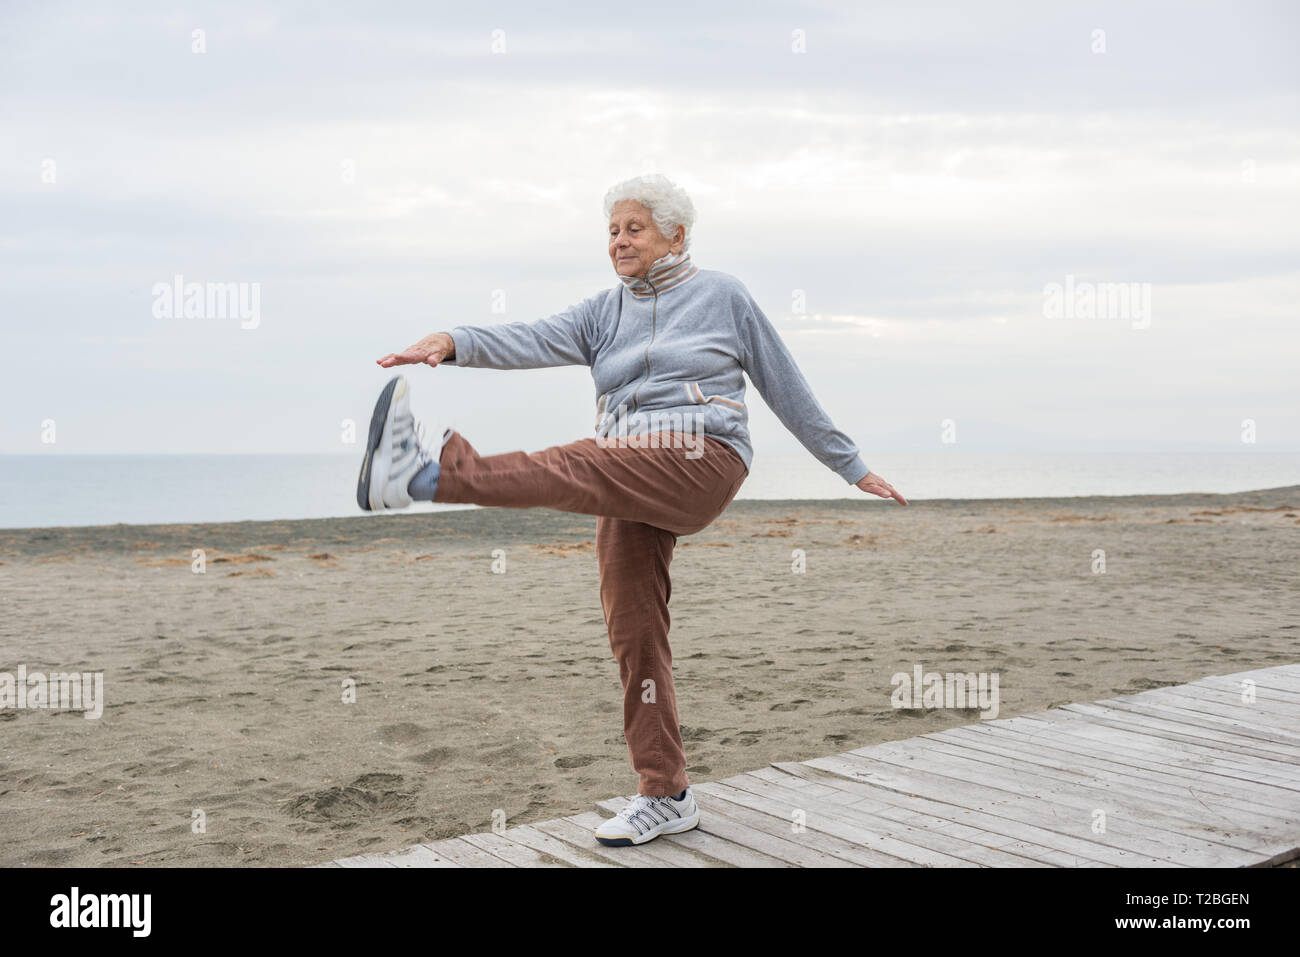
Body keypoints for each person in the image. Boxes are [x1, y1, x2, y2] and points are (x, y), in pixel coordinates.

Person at [357, 173, 907, 847]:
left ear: (677, 234)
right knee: (634, 630)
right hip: (628, 471)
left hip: (699, 454)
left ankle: (425, 474)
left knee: (574, 463)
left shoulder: (722, 295)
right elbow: (530, 338)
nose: (619, 240)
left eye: (634, 228)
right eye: (613, 230)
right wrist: (449, 341)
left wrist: (851, 466)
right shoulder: (602, 313)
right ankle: (666, 791)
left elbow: (783, 382)